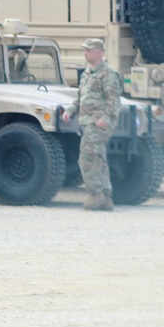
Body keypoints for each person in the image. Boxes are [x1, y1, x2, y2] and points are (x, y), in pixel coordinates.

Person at [61, 38, 122, 211]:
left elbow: (114, 101)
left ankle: (95, 194)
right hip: (87, 122)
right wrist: (70, 111)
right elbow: (81, 97)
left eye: (88, 50)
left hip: (98, 123)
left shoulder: (108, 74)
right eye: (85, 50)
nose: (85, 53)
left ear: (98, 52)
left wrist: (106, 119)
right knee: (98, 157)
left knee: (87, 158)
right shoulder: (87, 73)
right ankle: (106, 197)